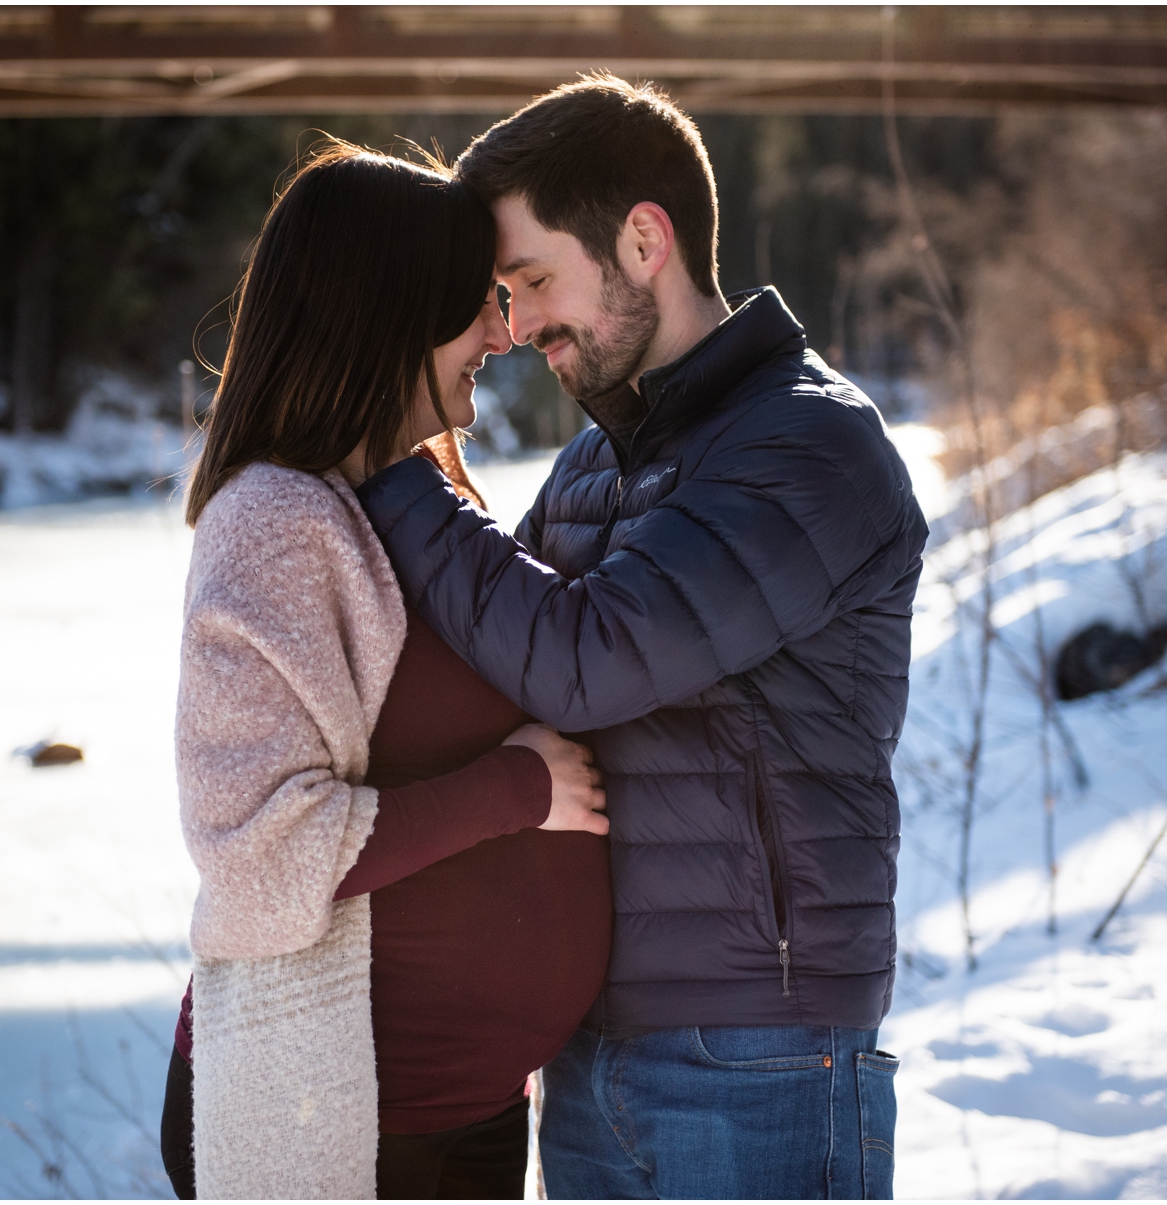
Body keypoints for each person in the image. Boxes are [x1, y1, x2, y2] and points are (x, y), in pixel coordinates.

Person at [353, 76, 928, 1200]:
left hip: (757, 1051)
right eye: (503, 297)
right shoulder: (593, 464)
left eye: (532, 282)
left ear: (645, 239)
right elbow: (488, 658)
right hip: (589, 1050)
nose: (516, 327)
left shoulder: (809, 447)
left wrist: (394, 465)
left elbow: (585, 658)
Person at [161, 141, 613, 1200]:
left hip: (462, 1111)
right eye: (474, 305)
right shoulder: (276, 522)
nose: (502, 336)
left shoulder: (410, 500)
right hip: (341, 1116)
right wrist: (518, 790)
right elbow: (262, 848)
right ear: (386, 311)